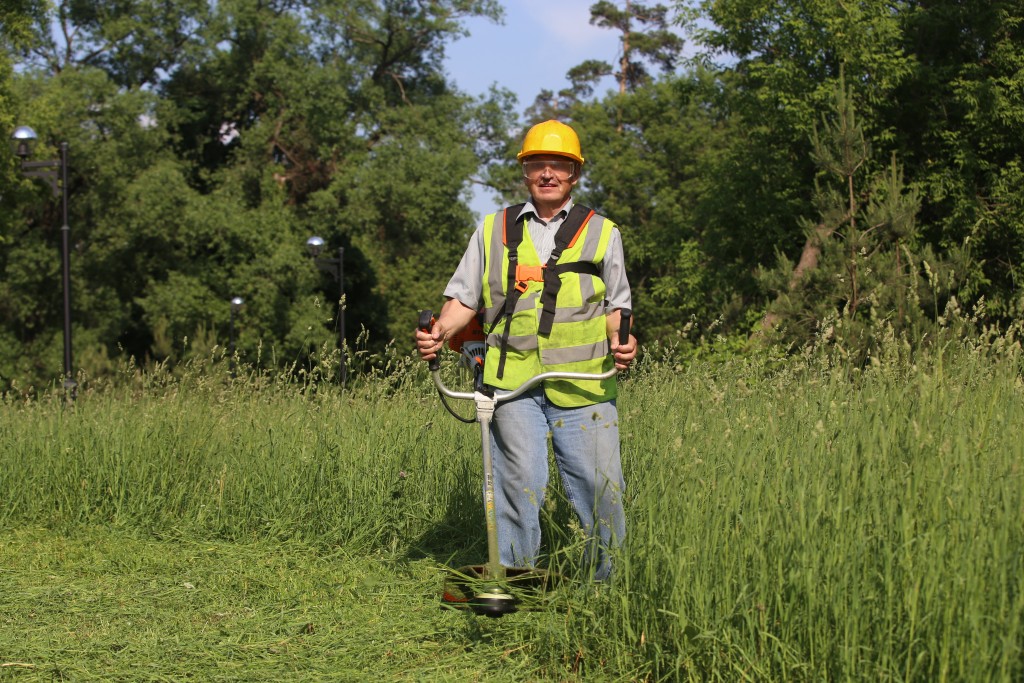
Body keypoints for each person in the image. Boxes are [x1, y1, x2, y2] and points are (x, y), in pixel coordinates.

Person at [415, 120, 637, 581]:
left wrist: (624, 340)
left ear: (574, 174)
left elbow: (618, 307)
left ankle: (605, 590)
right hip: (512, 382)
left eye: (560, 165)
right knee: (518, 486)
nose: (548, 173)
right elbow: (462, 300)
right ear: (526, 172)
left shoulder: (602, 232)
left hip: (584, 385)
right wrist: (439, 330)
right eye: (539, 164)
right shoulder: (492, 229)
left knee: (600, 491)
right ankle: (516, 585)